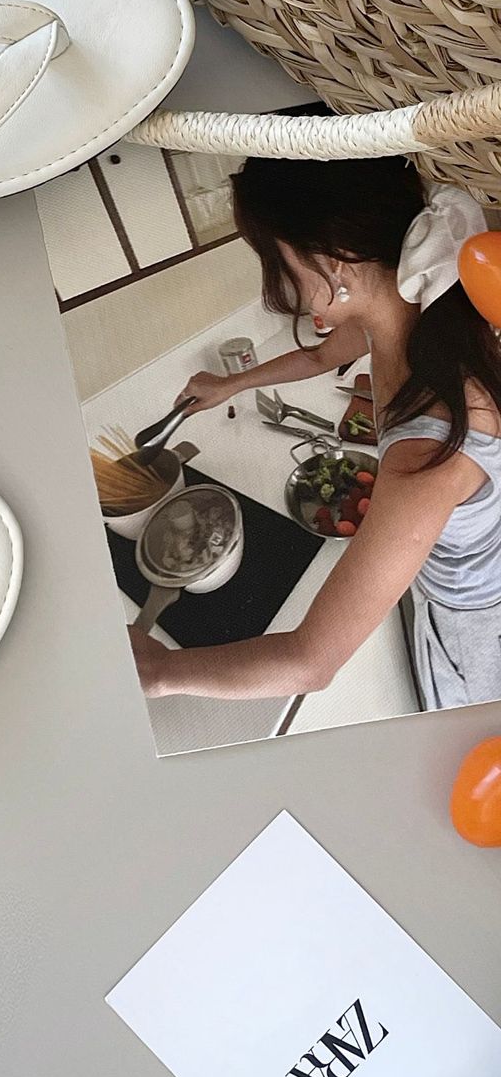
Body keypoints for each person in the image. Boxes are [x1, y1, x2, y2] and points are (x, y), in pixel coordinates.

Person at [130, 157, 501, 711]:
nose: (278, 280)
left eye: (274, 258)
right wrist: (229, 384)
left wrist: (159, 671)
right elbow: (320, 357)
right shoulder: (411, 312)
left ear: (334, 261)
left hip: (476, 620)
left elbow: (309, 661)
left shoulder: (427, 451)